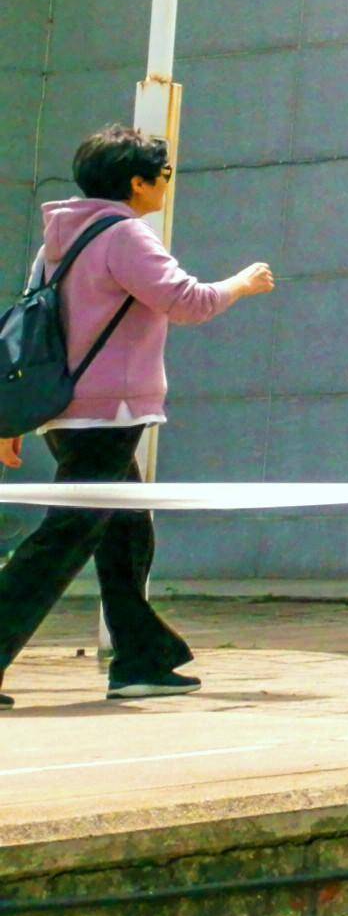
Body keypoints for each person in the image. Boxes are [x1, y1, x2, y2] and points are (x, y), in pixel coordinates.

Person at [0, 125, 274, 706]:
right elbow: (187, 302)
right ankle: (130, 656)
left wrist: (17, 420)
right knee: (65, 539)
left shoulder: (59, 239)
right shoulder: (126, 235)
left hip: (66, 411)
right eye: (165, 174)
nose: (168, 184)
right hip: (108, 413)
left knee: (125, 533)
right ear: (137, 182)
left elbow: (34, 336)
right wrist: (243, 284)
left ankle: (140, 658)